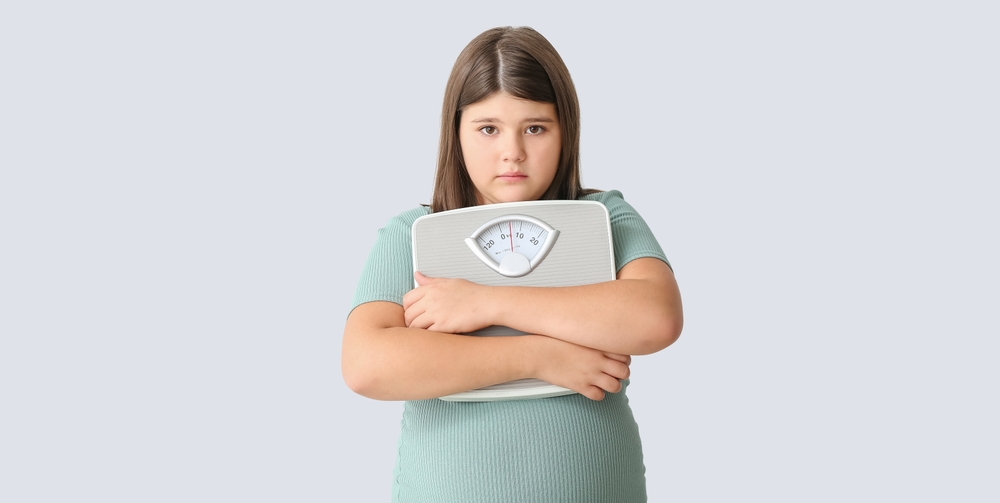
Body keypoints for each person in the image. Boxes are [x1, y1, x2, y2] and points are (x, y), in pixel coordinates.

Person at [342, 26, 683, 503]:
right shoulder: (411, 233)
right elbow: (365, 365)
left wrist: (486, 303)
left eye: (536, 127)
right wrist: (541, 358)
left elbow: (656, 317)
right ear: (455, 132)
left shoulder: (606, 217)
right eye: (488, 129)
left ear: (567, 129)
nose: (512, 152)